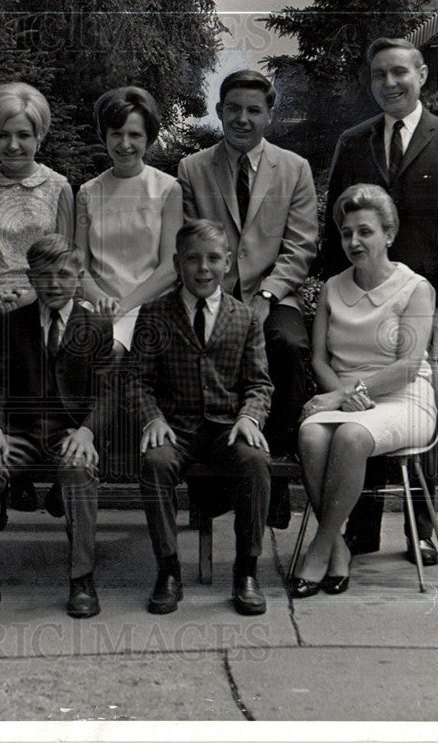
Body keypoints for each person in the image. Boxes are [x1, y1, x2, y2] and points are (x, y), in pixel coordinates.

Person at [321, 38, 438, 564]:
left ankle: (424, 531)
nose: (389, 84)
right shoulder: (353, 140)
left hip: (423, 303)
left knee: (417, 405)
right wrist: (338, 298)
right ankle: (360, 530)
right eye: (378, 76)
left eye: (399, 73)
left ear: (421, 75)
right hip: (364, 304)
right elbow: (333, 228)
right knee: (363, 414)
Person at [292, 184, 436, 597]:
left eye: (365, 231)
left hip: (403, 400)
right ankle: (338, 547)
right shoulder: (333, 289)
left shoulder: (415, 288)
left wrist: (339, 397)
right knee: (311, 434)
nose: (354, 241)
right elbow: (320, 359)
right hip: (346, 396)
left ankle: (318, 551)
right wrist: (342, 393)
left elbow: (408, 367)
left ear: (388, 235)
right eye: (346, 232)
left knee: (352, 436)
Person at [0, 234, 113, 618]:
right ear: (31, 277)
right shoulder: (14, 322)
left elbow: (109, 390)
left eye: (64, 274)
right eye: (45, 275)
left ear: (79, 276)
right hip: (22, 432)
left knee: (78, 468)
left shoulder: (94, 325)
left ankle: (81, 578)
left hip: (69, 432)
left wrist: (87, 431)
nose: (55, 283)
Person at [132, 220, 273, 617]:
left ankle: (246, 572)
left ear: (228, 263)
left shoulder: (245, 318)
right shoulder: (155, 313)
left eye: (213, 258)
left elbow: (260, 383)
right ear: (177, 264)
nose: (203, 268)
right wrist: (152, 418)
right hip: (176, 426)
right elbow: (138, 380)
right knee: (155, 464)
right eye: (193, 259)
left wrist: (249, 416)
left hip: (227, 427)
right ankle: (168, 571)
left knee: (256, 462)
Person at [178, 70, 317, 462]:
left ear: (269, 115)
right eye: (234, 109)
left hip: (274, 292)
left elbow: (301, 245)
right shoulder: (193, 168)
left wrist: (268, 295)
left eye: (253, 110)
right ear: (219, 111)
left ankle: (273, 463)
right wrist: (218, 299)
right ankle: (214, 468)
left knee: (288, 346)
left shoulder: (294, 168)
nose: (243, 118)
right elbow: (193, 241)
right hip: (212, 294)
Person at [0, 82, 74, 354]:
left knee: (51, 349)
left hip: (48, 295)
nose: (13, 145)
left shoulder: (60, 188)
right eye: (3, 135)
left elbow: (65, 263)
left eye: (23, 135)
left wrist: (32, 297)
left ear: (38, 136)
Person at [75, 86, 183, 353]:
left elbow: (169, 267)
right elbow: (79, 266)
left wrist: (124, 306)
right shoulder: (88, 192)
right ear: (105, 136)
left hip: (150, 304)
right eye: (116, 134)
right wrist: (102, 301)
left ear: (148, 138)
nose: (125, 144)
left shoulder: (168, 189)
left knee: (108, 348)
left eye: (134, 135)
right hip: (98, 304)